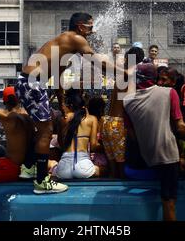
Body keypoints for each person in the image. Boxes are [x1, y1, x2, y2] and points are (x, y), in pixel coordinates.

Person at [15, 12, 123, 194]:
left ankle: (29, 168)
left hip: (26, 82)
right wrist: (122, 72)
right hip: (32, 83)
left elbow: (56, 77)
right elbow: (97, 60)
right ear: (80, 26)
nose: (92, 30)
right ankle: (42, 181)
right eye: (90, 26)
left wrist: (61, 104)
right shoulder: (75, 38)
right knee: (46, 131)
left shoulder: (63, 46)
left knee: (43, 128)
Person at [122, 63, 185, 221]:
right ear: (154, 77)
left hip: (147, 158)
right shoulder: (169, 93)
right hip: (168, 157)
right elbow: (181, 129)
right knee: (169, 203)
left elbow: (133, 136)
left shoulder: (127, 101)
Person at [0, 66, 35, 179]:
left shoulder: (7, 116)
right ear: (19, 99)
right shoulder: (29, 114)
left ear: (4, 102)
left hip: (12, 166)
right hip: (28, 166)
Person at [101, 46, 145, 178]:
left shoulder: (120, 74)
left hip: (107, 121)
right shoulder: (129, 76)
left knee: (112, 168)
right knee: (121, 169)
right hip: (118, 124)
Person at [55, 89, 106, 179]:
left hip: (63, 169)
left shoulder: (63, 119)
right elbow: (94, 146)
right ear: (83, 105)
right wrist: (106, 147)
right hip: (83, 167)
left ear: (70, 106)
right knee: (106, 169)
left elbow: (61, 144)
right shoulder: (92, 119)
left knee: (52, 165)